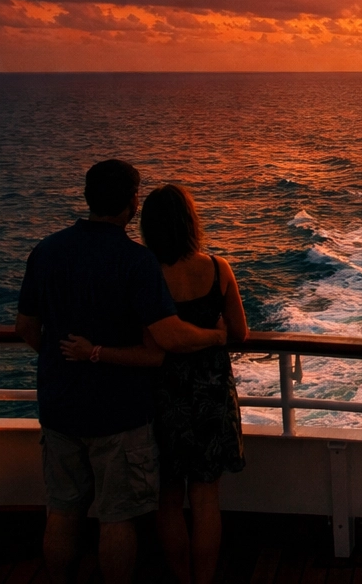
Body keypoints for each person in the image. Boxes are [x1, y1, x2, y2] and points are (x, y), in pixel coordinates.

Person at [14, 161, 227, 584]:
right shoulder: (136, 262)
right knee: (116, 519)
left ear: (89, 198)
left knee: (62, 512)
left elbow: (26, 329)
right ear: (130, 203)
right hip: (119, 413)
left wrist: (65, 359)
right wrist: (216, 337)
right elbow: (164, 341)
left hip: (60, 407)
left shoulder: (47, 250)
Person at [61, 184, 248, 584]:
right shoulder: (218, 268)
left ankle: (180, 578)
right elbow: (240, 332)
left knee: (168, 499)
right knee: (205, 498)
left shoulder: (145, 271)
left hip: (158, 393)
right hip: (210, 393)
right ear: (191, 222)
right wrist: (213, 333)